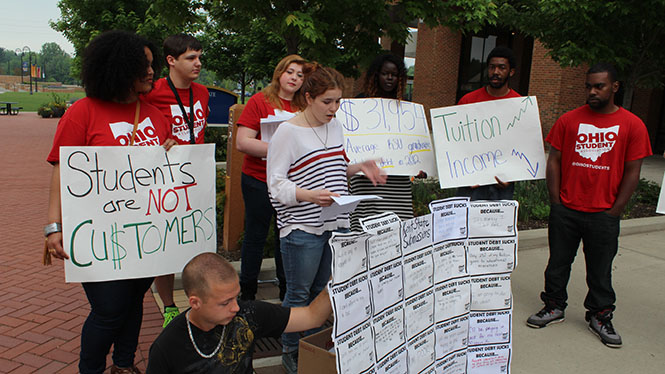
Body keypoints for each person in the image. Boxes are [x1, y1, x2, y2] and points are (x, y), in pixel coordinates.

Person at [44, 30, 176, 374]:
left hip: (143, 232)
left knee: (133, 303)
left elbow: (166, 169)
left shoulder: (154, 115)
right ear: (117, 68)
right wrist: (53, 226)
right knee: (109, 310)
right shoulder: (82, 113)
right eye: (142, 66)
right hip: (98, 235)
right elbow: (62, 171)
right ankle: (90, 369)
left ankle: (123, 365)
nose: (151, 72)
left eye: (152, 65)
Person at [267, 63, 386, 373]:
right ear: (308, 97)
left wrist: (360, 166)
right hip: (302, 226)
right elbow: (276, 185)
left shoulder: (335, 126)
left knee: (323, 290)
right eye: (327, 102)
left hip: (334, 222)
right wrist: (309, 195)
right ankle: (292, 351)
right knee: (298, 292)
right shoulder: (287, 132)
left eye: (338, 101)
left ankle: (312, 347)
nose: (334, 109)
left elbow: (332, 168)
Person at [526, 63, 652, 348]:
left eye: (599, 86)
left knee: (600, 269)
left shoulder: (632, 125)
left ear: (615, 88)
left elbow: (633, 171)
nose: (592, 92)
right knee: (558, 264)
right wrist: (556, 201)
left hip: (604, 213)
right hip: (567, 210)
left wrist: (615, 210)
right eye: (589, 86)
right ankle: (554, 306)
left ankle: (600, 315)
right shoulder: (569, 120)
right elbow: (554, 160)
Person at [146, 252, 332, 374]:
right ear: (195, 302)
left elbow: (312, 317)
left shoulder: (249, 314)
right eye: (225, 302)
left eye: (236, 297)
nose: (235, 308)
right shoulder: (167, 347)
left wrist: (336, 280)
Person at [144, 33, 209, 327]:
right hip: (163, 180)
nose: (198, 63)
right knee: (166, 246)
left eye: (199, 56)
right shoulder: (152, 92)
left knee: (196, 243)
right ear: (171, 60)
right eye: (190, 58)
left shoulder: (203, 92)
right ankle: (169, 305)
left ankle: (199, 302)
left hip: (196, 177)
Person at [235, 55, 307, 301]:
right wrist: (280, 149)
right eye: (290, 72)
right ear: (279, 73)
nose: (294, 78)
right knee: (255, 236)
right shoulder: (260, 101)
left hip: (291, 182)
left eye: (300, 75)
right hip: (258, 179)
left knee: (285, 235)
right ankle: (247, 294)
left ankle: (286, 293)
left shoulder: (304, 106)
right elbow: (242, 142)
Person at [348, 54, 417, 231]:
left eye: (394, 75)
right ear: (375, 75)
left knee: (397, 231)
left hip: (396, 183)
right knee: (365, 228)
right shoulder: (359, 103)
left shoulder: (407, 108)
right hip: (367, 180)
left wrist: (419, 165)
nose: (389, 78)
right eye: (385, 73)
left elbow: (414, 145)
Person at [456, 46, 521, 200]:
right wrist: (463, 174)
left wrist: (512, 176)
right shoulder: (468, 101)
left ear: (511, 72)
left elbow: (523, 146)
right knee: (465, 223)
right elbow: (456, 142)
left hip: (503, 183)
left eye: (502, 68)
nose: (496, 72)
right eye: (492, 67)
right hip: (470, 181)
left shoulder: (520, 106)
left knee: (499, 223)